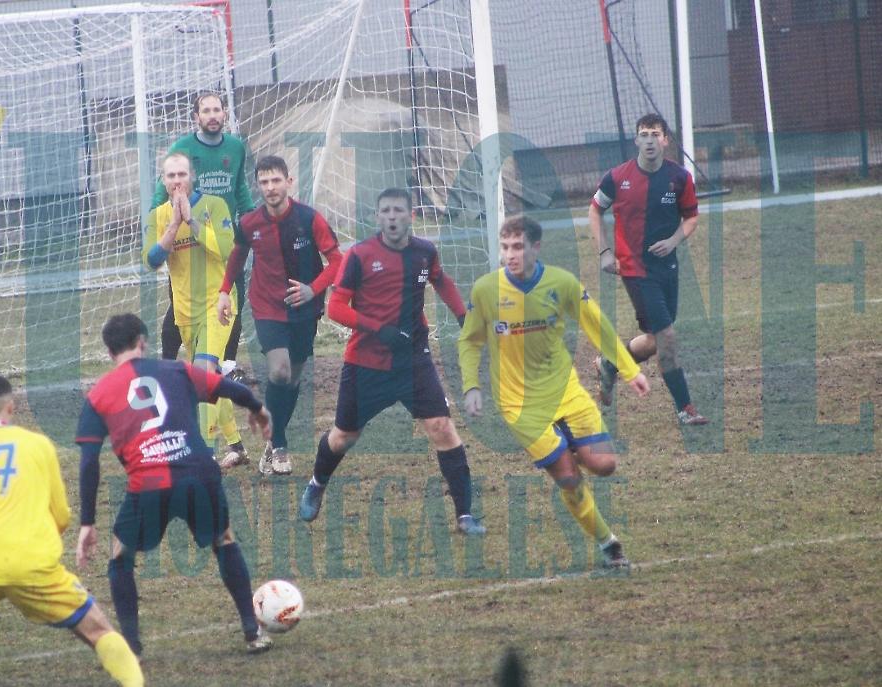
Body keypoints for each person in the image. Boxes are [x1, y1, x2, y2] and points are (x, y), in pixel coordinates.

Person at [0, 373, 144, 687]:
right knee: (98, 629)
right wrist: (38, 542)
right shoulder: (39, 445)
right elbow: (60, 513)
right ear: (11, 407)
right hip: (34, 564)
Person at [75, 313, 274, 658]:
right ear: (142, 342)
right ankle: (252, 630)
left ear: (109, 352)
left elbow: (89, 461)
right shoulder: (177, 370)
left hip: (148, 483)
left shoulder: (98, 394)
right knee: (224, 540)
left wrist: (87, 523)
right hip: (199, 473)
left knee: (120, 556)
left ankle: (131, 646)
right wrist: (257, 409)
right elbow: (231, 388)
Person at [458, 215, 650, 568]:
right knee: (569, 478)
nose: (510, 255)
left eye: (518, 247)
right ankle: (608, 543)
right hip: (519, 405)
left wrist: (629, 369)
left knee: (605, 465)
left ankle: (566, 445)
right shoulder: (486, 290)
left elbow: (596, 324)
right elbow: (469, 341)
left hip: (565, 391)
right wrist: (471, 385)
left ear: (536, 247)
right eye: (505, 247)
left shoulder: (562, 283)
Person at [297, 188, 485, 535]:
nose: (392, 216)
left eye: (399, 210)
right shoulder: (359, 255)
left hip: (414, 360)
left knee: (441, 427)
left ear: (411, 216)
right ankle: (317, 483)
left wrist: (463, 316)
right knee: (344, 436)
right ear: (377, 216)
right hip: (366, 362)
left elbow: (441, 281)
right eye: (386, 211)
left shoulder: (425, 252)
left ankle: (465, 516)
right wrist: (379, 330)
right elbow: (335, 308)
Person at [217, 155, 343, 476]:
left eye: (276, 180)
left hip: (305, 307)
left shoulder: (309, 219)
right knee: (280, 371)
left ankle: (272, 442)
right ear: (258, 186)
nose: (270, 187)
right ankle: (281, 444)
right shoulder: (249, 223)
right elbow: (237, 257)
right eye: (264, 182)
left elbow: (337, 261)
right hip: (267, 305)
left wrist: (313, 289)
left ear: (289, 182)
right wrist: (224, 291)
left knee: (294, 378)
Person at [588, 112, 708, 425]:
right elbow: (595, 210)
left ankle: (610, 365)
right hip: (636, 271)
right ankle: (685, 409)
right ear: (636, 140)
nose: (650, 140)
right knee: (667, 337)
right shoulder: (617, 177)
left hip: (668, 269)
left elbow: (691, 217)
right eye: (644, 134)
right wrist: (604, 252)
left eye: (655, 134)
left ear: (665, 140)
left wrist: (673, 240)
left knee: (656, 340)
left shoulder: (680, 178)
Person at [143, 152, 251, 467]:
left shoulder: (214, 205)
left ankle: (202, 452)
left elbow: (227, 250)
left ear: (192, 177)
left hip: (219, 305)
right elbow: (151, 261)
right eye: (171, 176)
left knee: (203, 374)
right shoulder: (158, 216)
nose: (177, 181)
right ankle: (237, 446)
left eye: (182, 174)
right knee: (209, 376)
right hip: (185, 313)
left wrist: (192, 221)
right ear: (163, 181)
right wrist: (174, 224)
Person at [150, 92, 257, 383]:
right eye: (205, 111)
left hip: (224, 239)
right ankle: (167, 367)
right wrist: (156, 217)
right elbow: (162, 188)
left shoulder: (236, 147)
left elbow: (240, 187)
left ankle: (228, 367)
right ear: (196, 117)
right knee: (179, 308)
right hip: (188, 240)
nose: (212, 116)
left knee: (232, 301)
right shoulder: (182, 148)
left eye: (216, 110)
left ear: (225, 114)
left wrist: (249, 217)